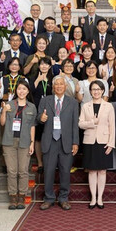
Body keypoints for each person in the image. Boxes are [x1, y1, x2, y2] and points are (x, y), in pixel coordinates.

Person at [38, 76, 79, 211]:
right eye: (57, 84)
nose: (59, 86)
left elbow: (75, 125)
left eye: (62, 84)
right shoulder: (45, 101)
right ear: (53, 87)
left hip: (66, 141)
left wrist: (75, 142)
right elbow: (38, 118)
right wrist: (41, 118)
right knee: (48, 171)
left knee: (65, 172)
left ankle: (63, 198)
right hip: (49, 141)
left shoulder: (72, 102)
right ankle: (49, 198)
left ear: (65, 87)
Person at [0, 80, 36, 210]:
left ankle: (22, 196)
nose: (21, 91)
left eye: (24, 89)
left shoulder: (31, 107)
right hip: (9, 141)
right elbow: (2, 123)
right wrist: (4, 111)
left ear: (27, 91)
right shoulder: (9, 104)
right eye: (19, 89)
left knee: (23, 171)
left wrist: (32, 142)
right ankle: (13, 197)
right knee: (12, 171)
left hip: (25, 141)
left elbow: (32, 126)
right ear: (16, 90)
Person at [79, 80, 115, 209]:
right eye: (94, 89)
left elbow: (112, 126)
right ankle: (93, 198)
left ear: (103, 91)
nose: (96, 91)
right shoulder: (85, 106)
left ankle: (100, 198)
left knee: (102, 171)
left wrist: (111, 143)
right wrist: (92, 122)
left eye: (99, 89)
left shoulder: (108, 106)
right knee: (92, 171)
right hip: (89, 141)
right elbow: (80, 124)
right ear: (90, 91)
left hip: (104, 141)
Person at [30, 56, 54, 173]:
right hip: (37, 110)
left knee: (49, 136)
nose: (44, 66)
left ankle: (49, 162)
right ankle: (40, 163)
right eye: (42, 64)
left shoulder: (53, 78)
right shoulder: (33, 77)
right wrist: (38, 80)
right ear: (39, 66)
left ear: (50, 66)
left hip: (51, 111)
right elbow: (29, 92)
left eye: (46, 64)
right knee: (38, 137)